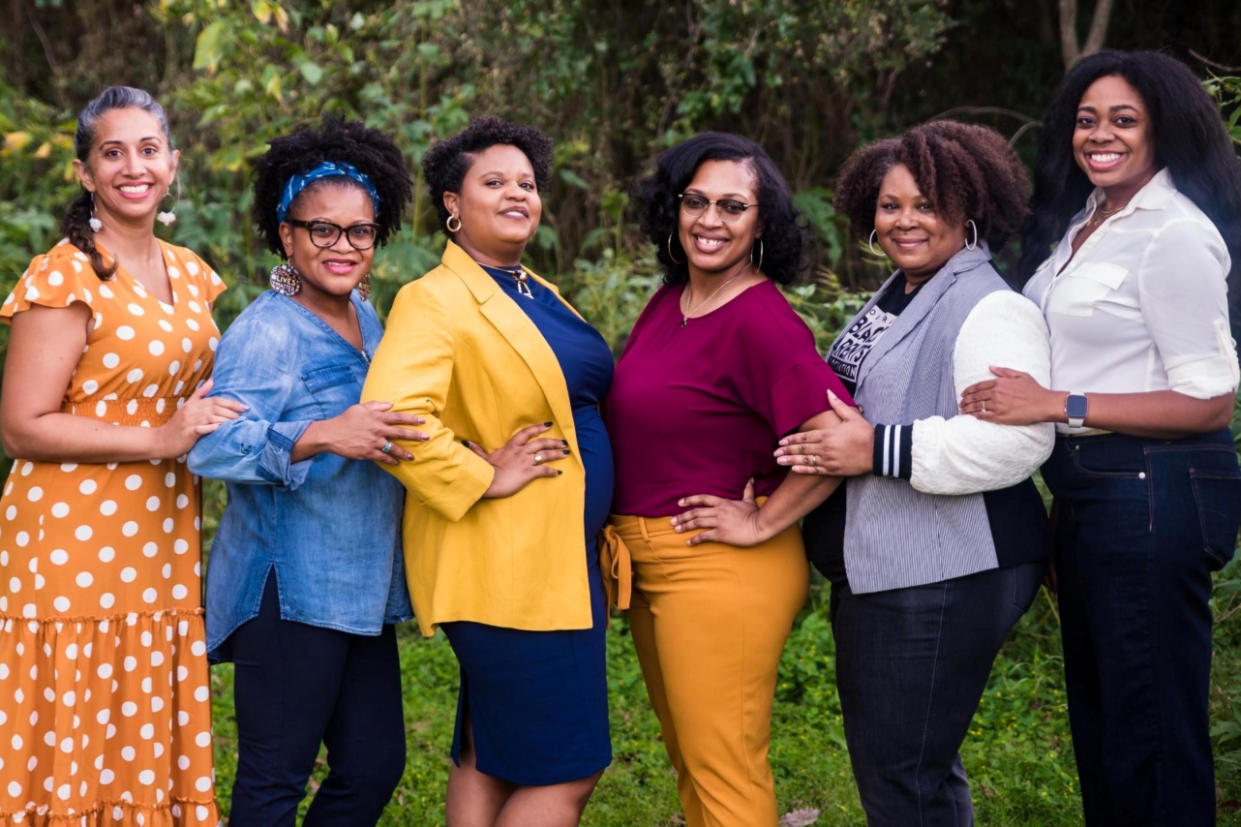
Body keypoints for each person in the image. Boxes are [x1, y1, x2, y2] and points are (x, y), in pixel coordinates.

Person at [958, 51, 1241, 825]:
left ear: (1163, 130)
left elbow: (1208, 400)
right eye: (1086, 119)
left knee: (1149, 725)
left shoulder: (1172, 232)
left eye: (1123, 119)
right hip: (1098, 489)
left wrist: (1055, 402)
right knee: (1106, 719)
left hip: (1157, 487)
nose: (1099, 135)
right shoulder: (1086, 222)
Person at [772, 120, 1055, 825]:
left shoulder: (987, 305)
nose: (904, 221)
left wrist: (877, 450)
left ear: (968, 209)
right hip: (894, 566)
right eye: (890, 204)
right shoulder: (900, 291)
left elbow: (1016, 444)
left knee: (905, 773)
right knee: (908, 763)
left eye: (925, 205)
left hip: (947, 570)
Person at [0, 85, 243, 825]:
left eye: (147, 149)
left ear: (172, 163)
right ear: (84, 172)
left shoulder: (193, 274)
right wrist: (158, 440)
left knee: (135, 719)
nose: (132, 166)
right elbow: (22, 425)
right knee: (74, 724)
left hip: (159, 535)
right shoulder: (64, 274)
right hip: (71, 540)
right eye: (112, 152)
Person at [360, 116, 612, 827]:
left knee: (489, 748)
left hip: (553, 563)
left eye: (526, 184)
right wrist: (483, 475)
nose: (516, 195)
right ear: (451, 202)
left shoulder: (533, 288)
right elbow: (390, 416)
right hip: (508, 569)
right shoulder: (433, 298)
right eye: (493, 182)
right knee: (569, 766)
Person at [602, 132, 850, 827]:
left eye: (732, 206)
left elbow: (835, 437)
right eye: (696, 201)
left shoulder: (761, 321)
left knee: (723, 772)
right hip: (652, 564)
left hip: (721, 569)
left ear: (760, 222)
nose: (709, 220)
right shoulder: (672, 299)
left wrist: (764, 518)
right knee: (692, 759)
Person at [186, 118, 419, 825]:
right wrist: (319, 434)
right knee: (272, 780)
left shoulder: (368, 317)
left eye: (359, 231)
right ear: (285, 234)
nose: (341, 246)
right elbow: (211, 446)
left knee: (374, 766)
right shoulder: (268, 328)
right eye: (321, 229)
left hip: (358, 587)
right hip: (286, 591)